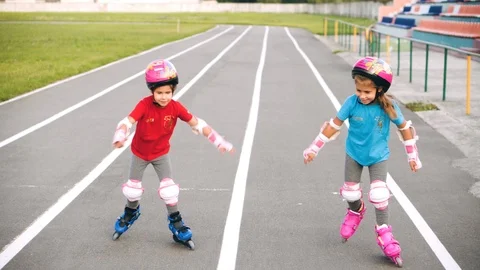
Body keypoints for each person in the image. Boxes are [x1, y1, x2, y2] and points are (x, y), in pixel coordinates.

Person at [302, 56, 421, 267]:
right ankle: (356, 209)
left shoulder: (389, 106)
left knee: (379, 194)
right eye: (359, 90)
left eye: (367, 92)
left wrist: (412, 156)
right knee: (350, 193)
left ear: (380, 90)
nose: (362, 96)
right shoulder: (351, 103)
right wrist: (314, 149)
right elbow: (333, 126)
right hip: (354, 154)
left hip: (378, 157)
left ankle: (384, 233)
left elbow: (405, 129)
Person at [111, 59, 234, 249]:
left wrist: (218, 140)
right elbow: (127, 121)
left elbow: (198, 124)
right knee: (132, 190)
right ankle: (131, 212)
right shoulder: (144, 105)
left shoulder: (175, 107)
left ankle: (176, 222)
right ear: (152, 91)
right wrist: (120, 134)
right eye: (159, 92)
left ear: (173, 90)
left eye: (168, 92)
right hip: (140, 154)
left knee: (169, 191)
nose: (163, 97)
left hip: (161, 155)